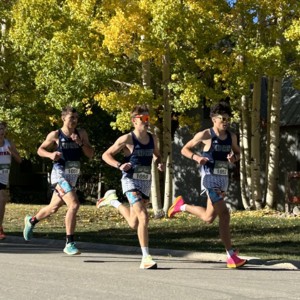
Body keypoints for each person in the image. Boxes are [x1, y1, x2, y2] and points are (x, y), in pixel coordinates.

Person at [168, 101, 247, 268]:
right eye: (222, 118)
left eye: (227, 119)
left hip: (223, 179)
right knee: (224, 214)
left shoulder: (231, 137)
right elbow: (185, 149)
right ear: (214, 119)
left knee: (208, 217)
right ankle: (231, 256)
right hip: (209, 179)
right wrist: (197, 158)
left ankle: (181, 206)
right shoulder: (205, 135)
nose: (225, 122)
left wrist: (234, 158)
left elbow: (239, 153)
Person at [97, 104, 163, 269]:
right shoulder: (127, 139)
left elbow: (157, 155)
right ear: (135, 121)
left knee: (134, 223)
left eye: (149, 118)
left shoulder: (153, 138)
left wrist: (159, 163)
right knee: (144, 217)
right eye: (144, 119)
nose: (147, 122)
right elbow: (106, 155)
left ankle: (113, 201)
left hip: (145, 182)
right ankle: (146, 257)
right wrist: (120, 165)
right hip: (130, 181)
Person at [23, 106, 94, 255]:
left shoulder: (81, 133)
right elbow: (40, 150)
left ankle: (32, 220)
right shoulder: (56, 134)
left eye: (76, 118)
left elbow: (90, 154)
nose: (74, 121)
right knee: (74, 204)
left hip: (73, 174)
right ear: (63, 118)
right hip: (59, 175)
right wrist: (50, 155)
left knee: (53, 208)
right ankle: (69, 243)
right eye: (71, 118)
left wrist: (80, 143)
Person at [0, 121, 22, 239]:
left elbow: (19, 160)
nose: (1, 131)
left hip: (3, 177)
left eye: (2, 129)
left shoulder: (9, 143)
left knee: (2, 202)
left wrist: (12, 152)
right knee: (2, 199)